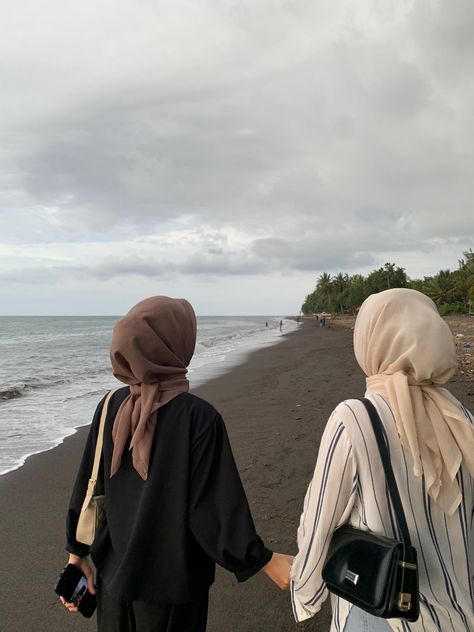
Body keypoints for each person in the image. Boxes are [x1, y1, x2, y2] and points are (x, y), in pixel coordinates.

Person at [60, 296, 292, 631]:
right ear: (178, 344)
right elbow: (211, 511)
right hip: (172, 591)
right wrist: (264, 561)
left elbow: (88, 487)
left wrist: (76, 553)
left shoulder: (109, 405)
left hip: (112, 580)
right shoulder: (198, 418)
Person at [290, 288, 474, 631]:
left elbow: (319, 523)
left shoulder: (355, 418)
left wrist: (303, 590)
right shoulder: (462, 419)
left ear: (370, 339)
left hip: (385, 615)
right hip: (459, 610)